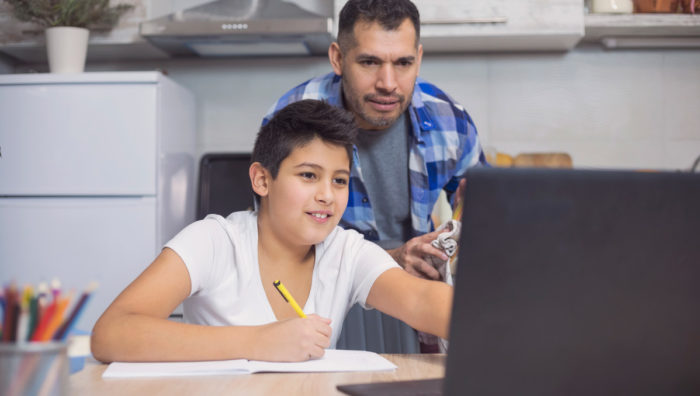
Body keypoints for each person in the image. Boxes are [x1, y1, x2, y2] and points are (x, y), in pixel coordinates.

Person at [90, 100, 452, 363]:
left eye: (339, 180)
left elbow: (421, 301)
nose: (327, 195)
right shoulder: (213, 241)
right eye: (309, 175)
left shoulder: (346, 251)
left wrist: (500, 321)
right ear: (262, 179)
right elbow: (112, 333)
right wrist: (259, 342)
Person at [263, 0, 487, 281]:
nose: (388, 83)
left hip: (414, 293)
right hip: (321, 291)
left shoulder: (450, 121)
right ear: (338, 58)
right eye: (370, 62)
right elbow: (277, 242)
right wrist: (390, 259)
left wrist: (475, 214)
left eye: (403, 63)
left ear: (418, 59)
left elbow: (485, 212)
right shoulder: (292, 120)